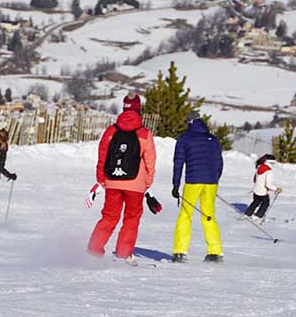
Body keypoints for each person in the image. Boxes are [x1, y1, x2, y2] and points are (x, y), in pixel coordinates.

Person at [87, 93, 157, 261]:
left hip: (112, 181)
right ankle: (124, 253)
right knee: (131, 219)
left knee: (109, 217)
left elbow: (102, 156)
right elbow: (150, 162)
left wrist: (101, 180)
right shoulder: (144, 133)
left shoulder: (111, 131)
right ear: (139, 109)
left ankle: (93, 250)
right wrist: (146, 184)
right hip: (135, 184)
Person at [171, 111, 224, 263]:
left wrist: (176, 185)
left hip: (193, 181)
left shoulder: (184, 139)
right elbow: (219, 162)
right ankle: (215, 252)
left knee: (186, 215)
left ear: (189, 123)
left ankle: (180, 251)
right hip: (211, 183)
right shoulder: (212, 139)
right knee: (209, 216)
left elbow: (178, 163)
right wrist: (214, 179)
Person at [245, 154, 278, 222]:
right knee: (266, 203)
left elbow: (254, 179)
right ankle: (258, 215)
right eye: (273, 163)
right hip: (263, 192)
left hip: (256, 190)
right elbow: (268, 184)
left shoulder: (259, 167)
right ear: (271, 163)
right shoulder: (269, 171)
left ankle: (248, 213)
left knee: (256, 202)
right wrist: (276, 189)